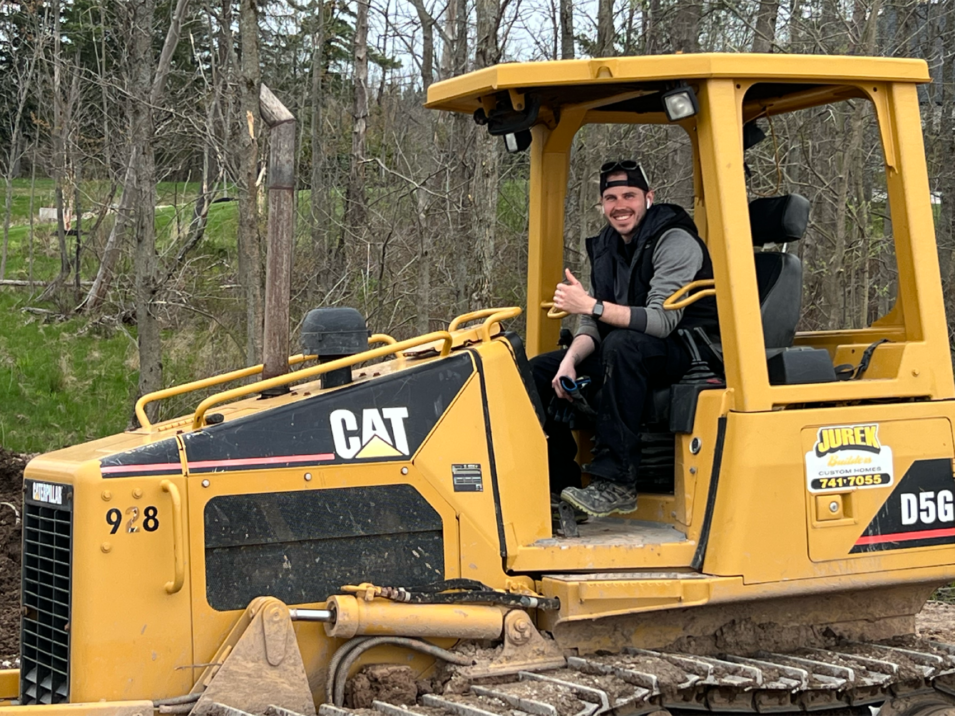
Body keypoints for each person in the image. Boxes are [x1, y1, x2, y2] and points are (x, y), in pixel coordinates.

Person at [530, 160, 719, 517]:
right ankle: (558, 487)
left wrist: (591, 305)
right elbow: (593, 323)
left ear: (649, 197)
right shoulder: (607, 246)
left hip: (690, 349)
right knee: (537, 371)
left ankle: (617, 481)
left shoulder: (675, 240)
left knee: (623, 345)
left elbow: (662, 321)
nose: (620, 205)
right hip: (633, 348)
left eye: (629, 195)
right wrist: (570, 361)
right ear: (602, 205)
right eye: (611, 198)